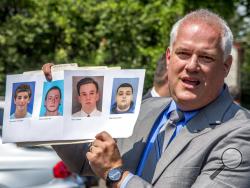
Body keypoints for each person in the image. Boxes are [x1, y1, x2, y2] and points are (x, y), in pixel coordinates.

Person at [43, 9, 250, 188]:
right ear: (169, 58)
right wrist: (51, 117)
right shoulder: (145, 108)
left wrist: (118, 176)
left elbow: (110, 169)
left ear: (226, 65)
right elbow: (84, 160)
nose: (192, 66)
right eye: (183, 53)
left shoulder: (241, 133)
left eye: (206, 57)